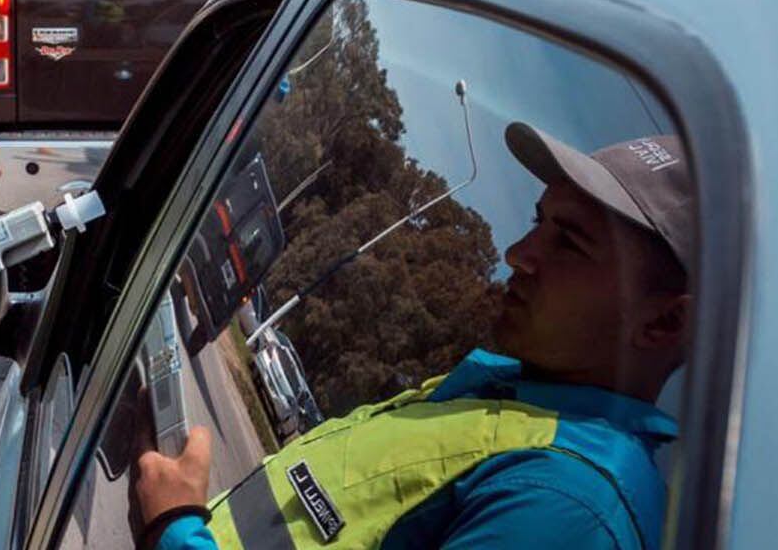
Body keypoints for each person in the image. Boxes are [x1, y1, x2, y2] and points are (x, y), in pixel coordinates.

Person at [135, 125, 695, 550]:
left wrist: (177, 526)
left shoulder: (569, 505)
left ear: (664, 323)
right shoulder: (502, 404)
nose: (519, 255)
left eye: (570, 242)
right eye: (536, 222)